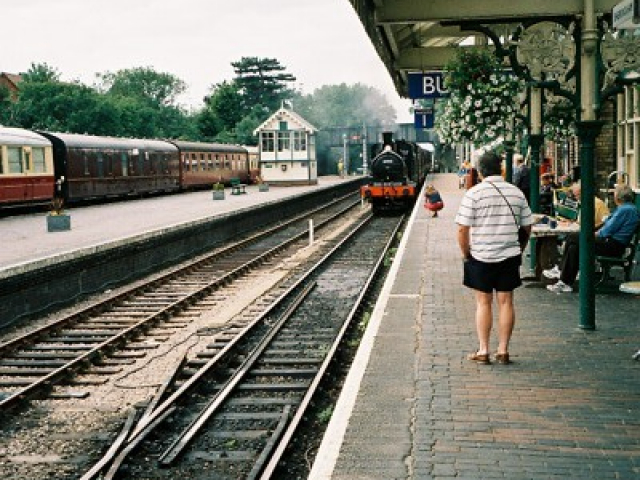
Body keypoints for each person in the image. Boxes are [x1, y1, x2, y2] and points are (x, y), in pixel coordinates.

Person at [455, 150, 533, 365]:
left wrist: (466, 253)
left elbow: (462, 229)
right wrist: (519, 246)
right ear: (501, 169)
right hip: (509, 255)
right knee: (506, 302)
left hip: (481, 255)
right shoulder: (516, 192)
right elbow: (527, 225)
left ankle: (483, 350)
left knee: (483, 303)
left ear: (480, 171)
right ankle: (503, 350)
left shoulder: (474, 193)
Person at [545, 184, 640, 293]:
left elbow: (606, 231)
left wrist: (589, 235)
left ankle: (561, 271)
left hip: (613, 245)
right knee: (573, 247)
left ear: (617, 197)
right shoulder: (628, 208)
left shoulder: (625, 210)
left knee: (572, 237)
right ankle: (565, 282)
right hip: (613, 243)